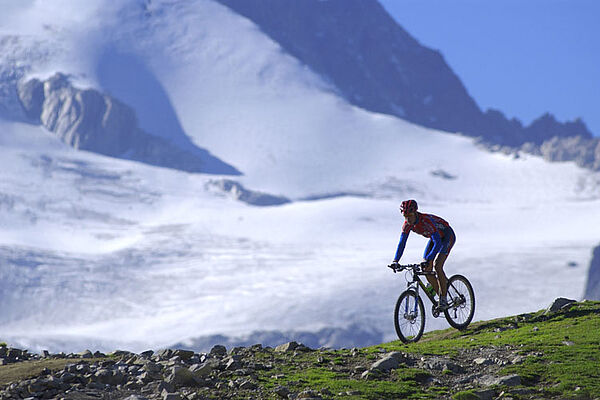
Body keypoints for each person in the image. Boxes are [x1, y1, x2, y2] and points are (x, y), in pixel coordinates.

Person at [390, 199, 456, 309]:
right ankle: (439, 291)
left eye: (410, 215)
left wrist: (429, 259)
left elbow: (438, 243)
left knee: (437, 265)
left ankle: (444, 298)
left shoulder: (426, 221)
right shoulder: (407, 225)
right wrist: (395, 261)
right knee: (426, 270)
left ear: (415, 213)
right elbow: (402, 243)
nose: (407, 219)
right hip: (436, 239)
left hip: (447, 236)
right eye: (405, 216)